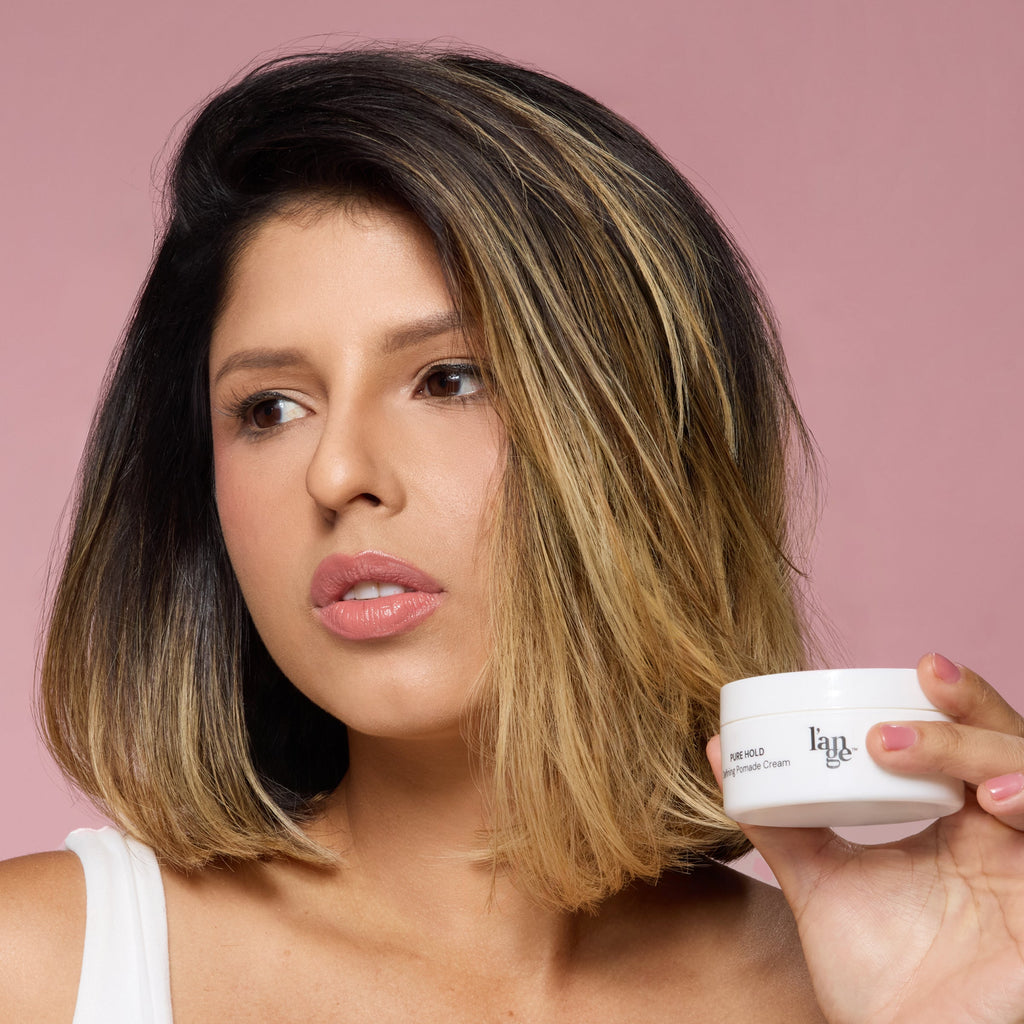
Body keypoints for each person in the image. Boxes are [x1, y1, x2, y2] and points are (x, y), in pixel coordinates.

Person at [1, 46, 1022, 1023]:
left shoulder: (865, 985)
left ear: (645, 441)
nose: (337, 472)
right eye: (270, 407)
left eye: (449, 379)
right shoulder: (39, 971)